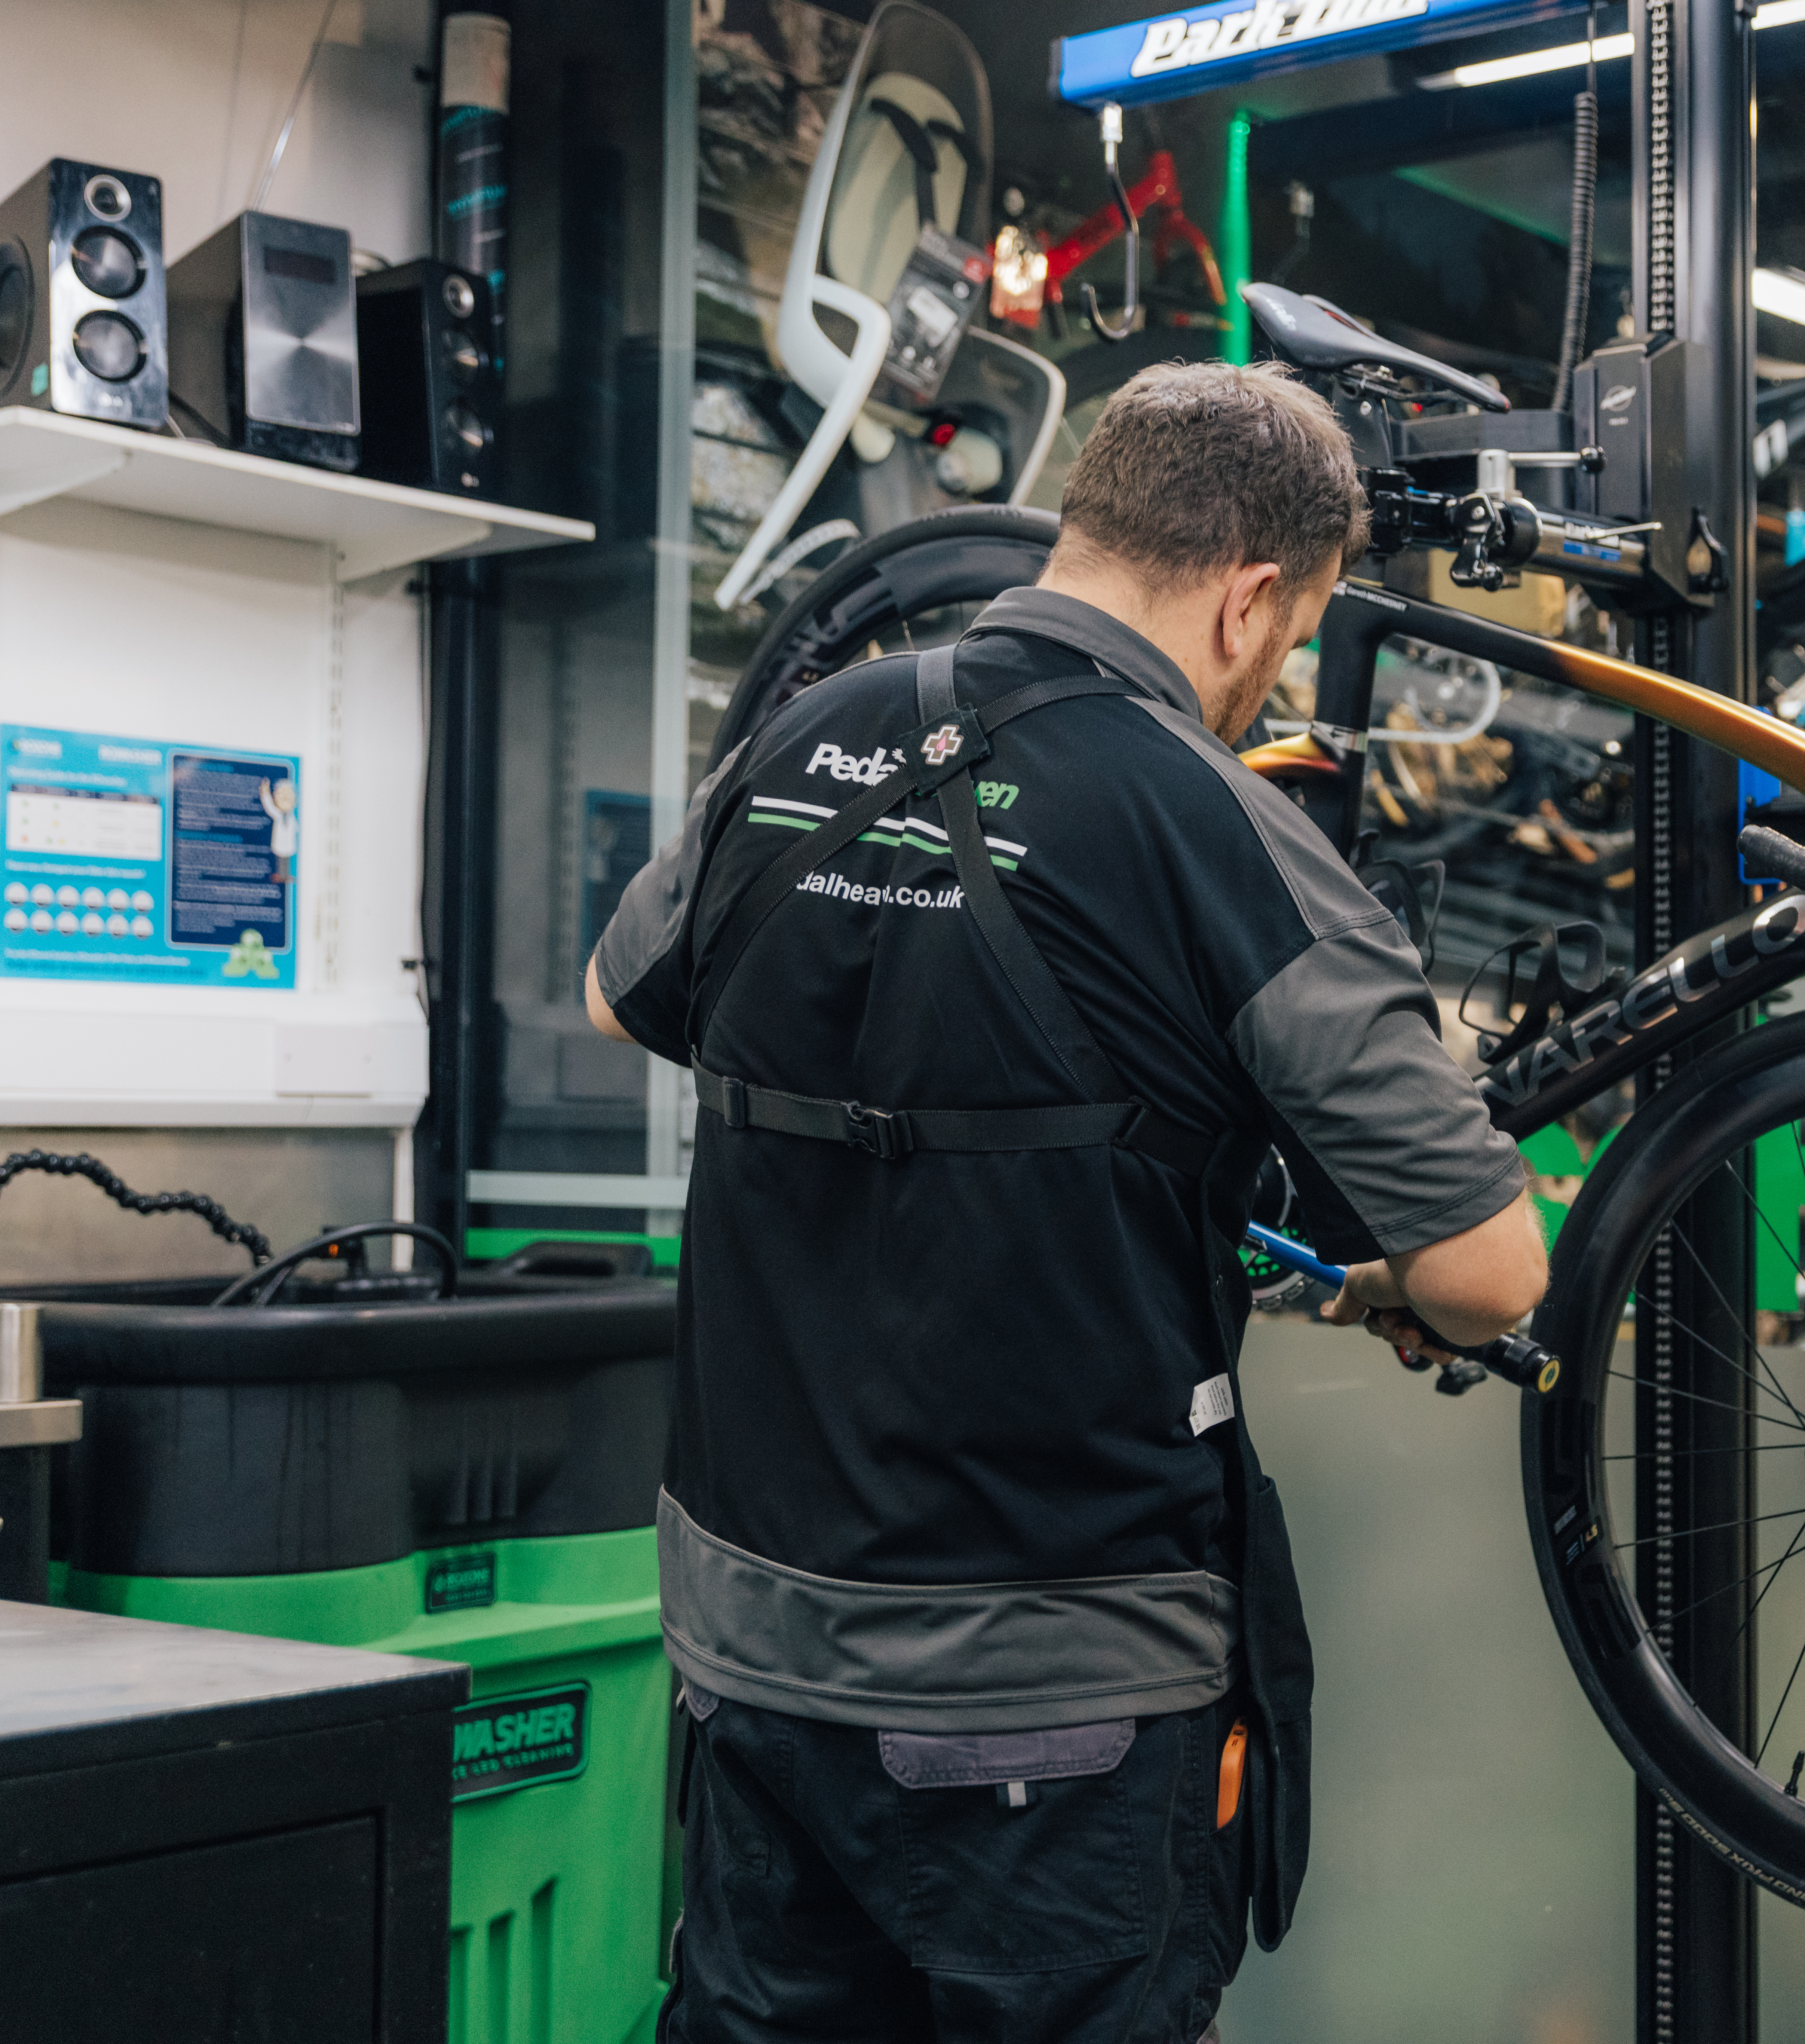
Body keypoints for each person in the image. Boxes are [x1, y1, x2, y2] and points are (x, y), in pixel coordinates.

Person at [585, 359, 1547, 2044]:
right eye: (1303, 629)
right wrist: (1389, 1272)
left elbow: (620, 998)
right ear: (1254, 598)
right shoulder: (1217, 830)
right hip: (1056, 1706)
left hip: (754, 1654)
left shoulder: (799, 746)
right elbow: (1486, 1271)